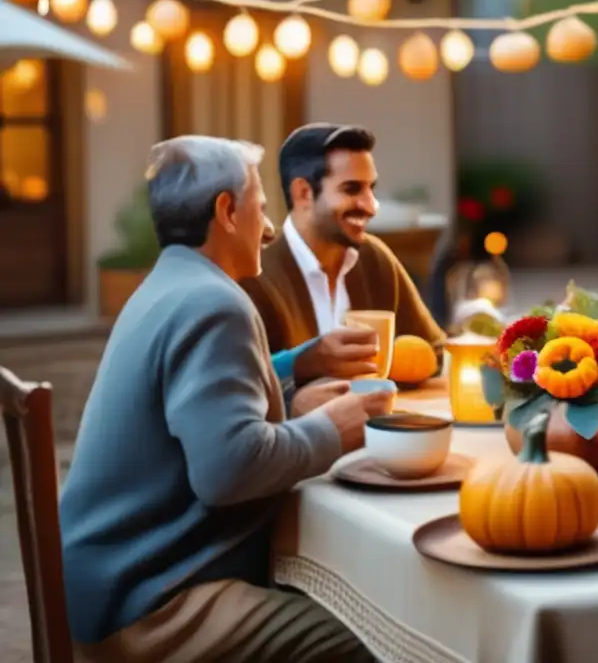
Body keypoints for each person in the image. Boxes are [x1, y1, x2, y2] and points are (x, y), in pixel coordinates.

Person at [60, 136, 390, 662]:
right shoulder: (215, 303)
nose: (270, 228)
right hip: (154, 605)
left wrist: (291, 379)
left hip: (108, 584)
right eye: (261, 207)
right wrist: (333, 428)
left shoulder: (167, 283)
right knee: (379, 638)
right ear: (227, 210)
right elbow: (228, 471)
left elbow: (197, 404)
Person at [242, 123, 445, 385]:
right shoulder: (255, 273)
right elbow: (244, 384)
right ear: (303, 193)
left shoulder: (374, 258)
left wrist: (384, 366)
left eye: (371, 188)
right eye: (352, 189)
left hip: (381, 425)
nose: (371, 206)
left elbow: (434, 351)